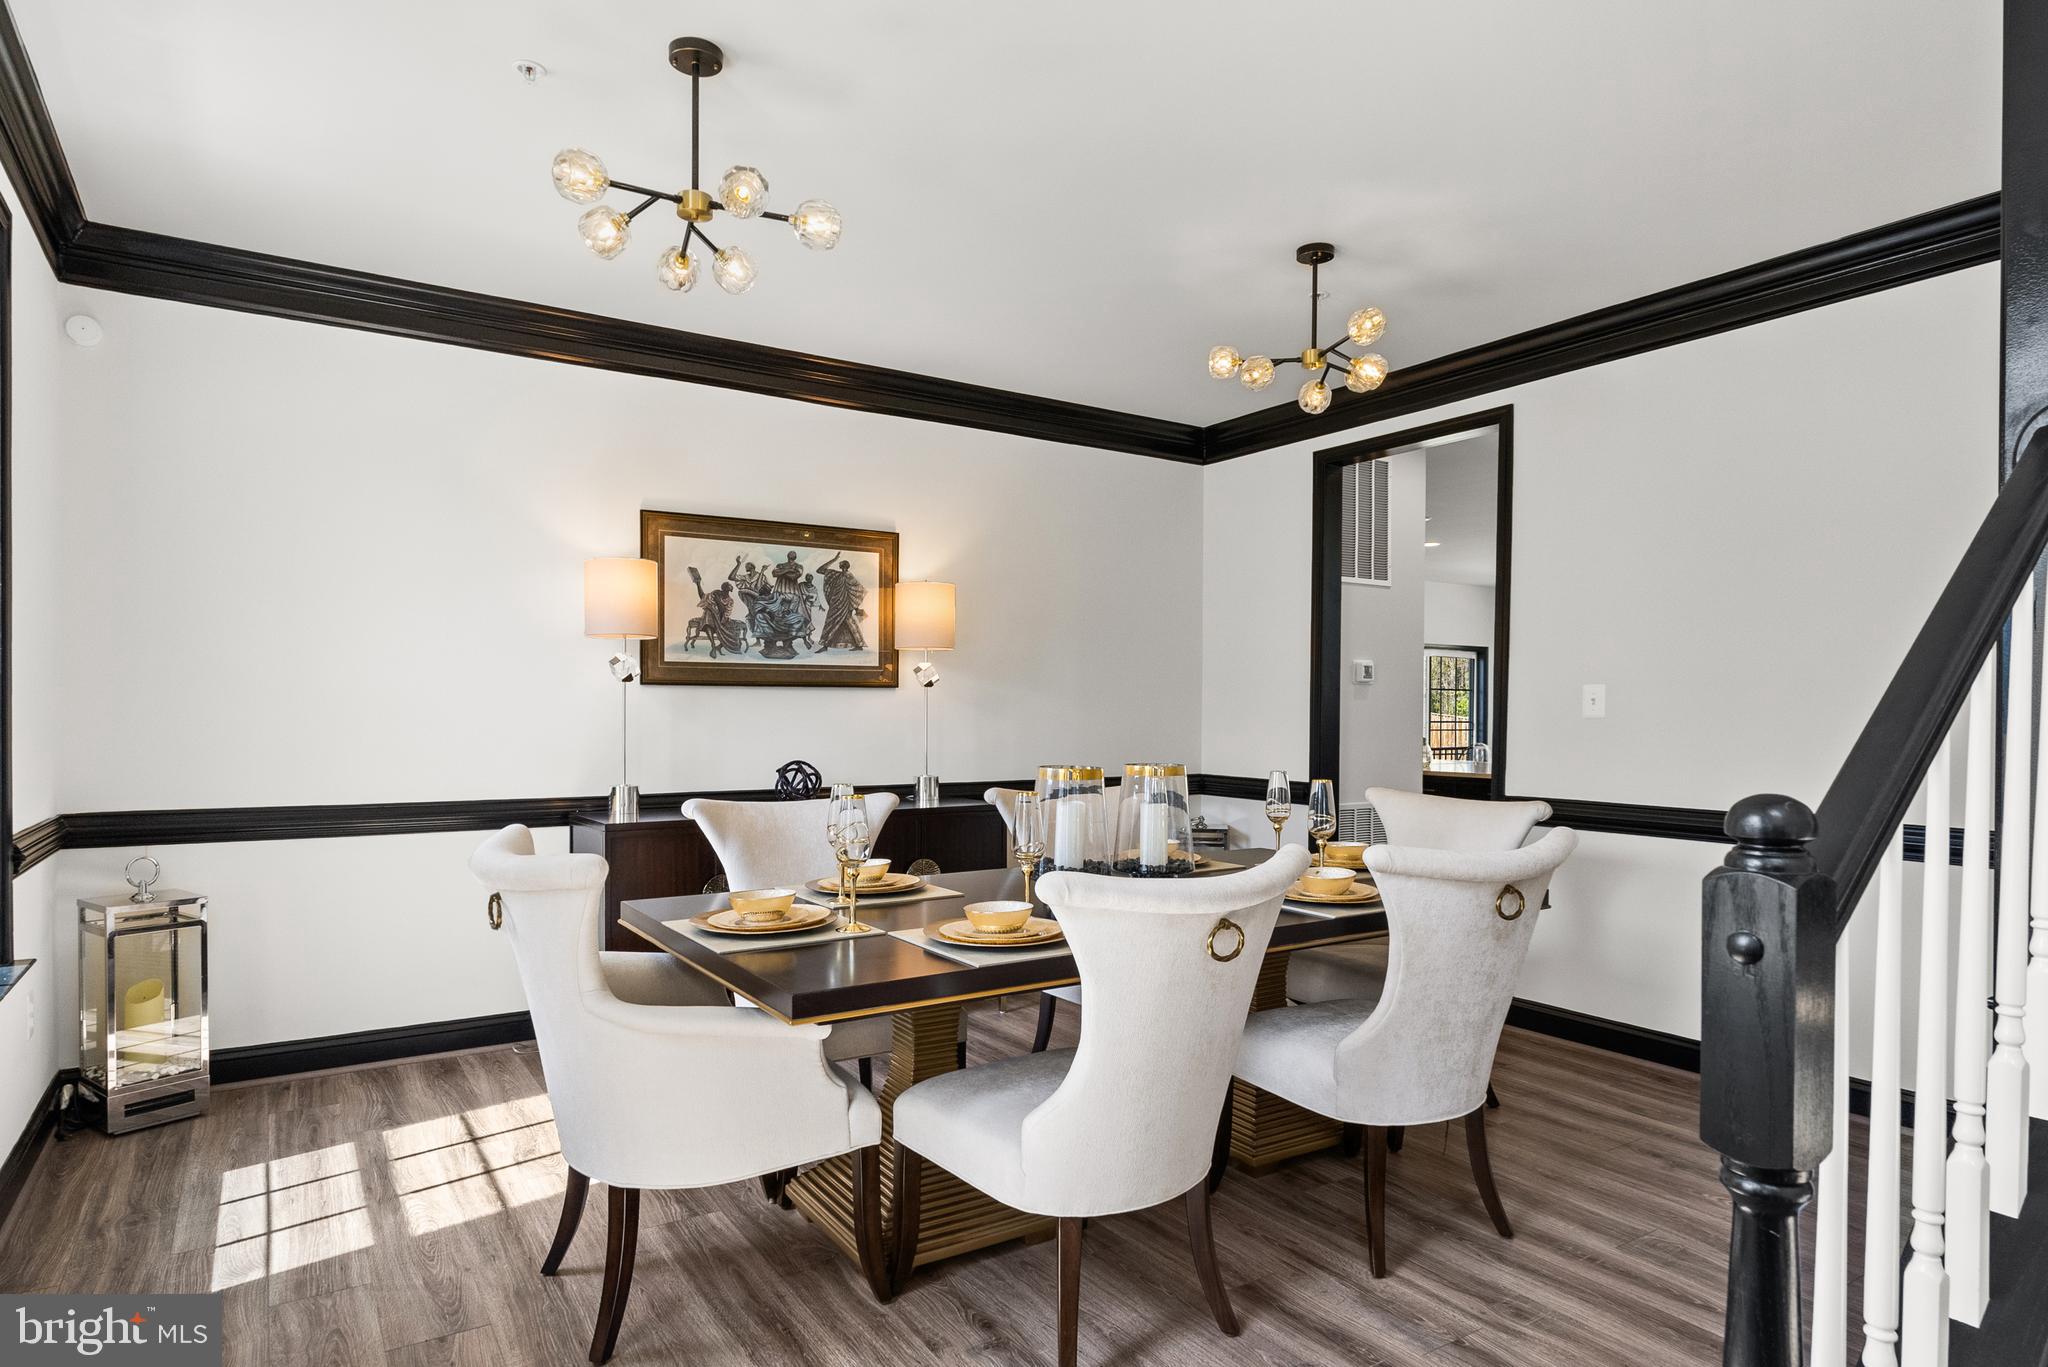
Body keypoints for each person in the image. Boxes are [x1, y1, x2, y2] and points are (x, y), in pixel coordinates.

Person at [814, 555, 867, 652]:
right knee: (833, 623)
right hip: (836, 605)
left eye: (842, 565)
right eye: (842, 565)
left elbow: (858, 590)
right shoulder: (836, 574)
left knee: (847, 624)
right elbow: (820, 570)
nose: (842, 567)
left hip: (845, 605)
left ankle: (859, 645)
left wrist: (854, 606)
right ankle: (825, 645)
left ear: (845, 566)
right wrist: (834, 559)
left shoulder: (848, 576)